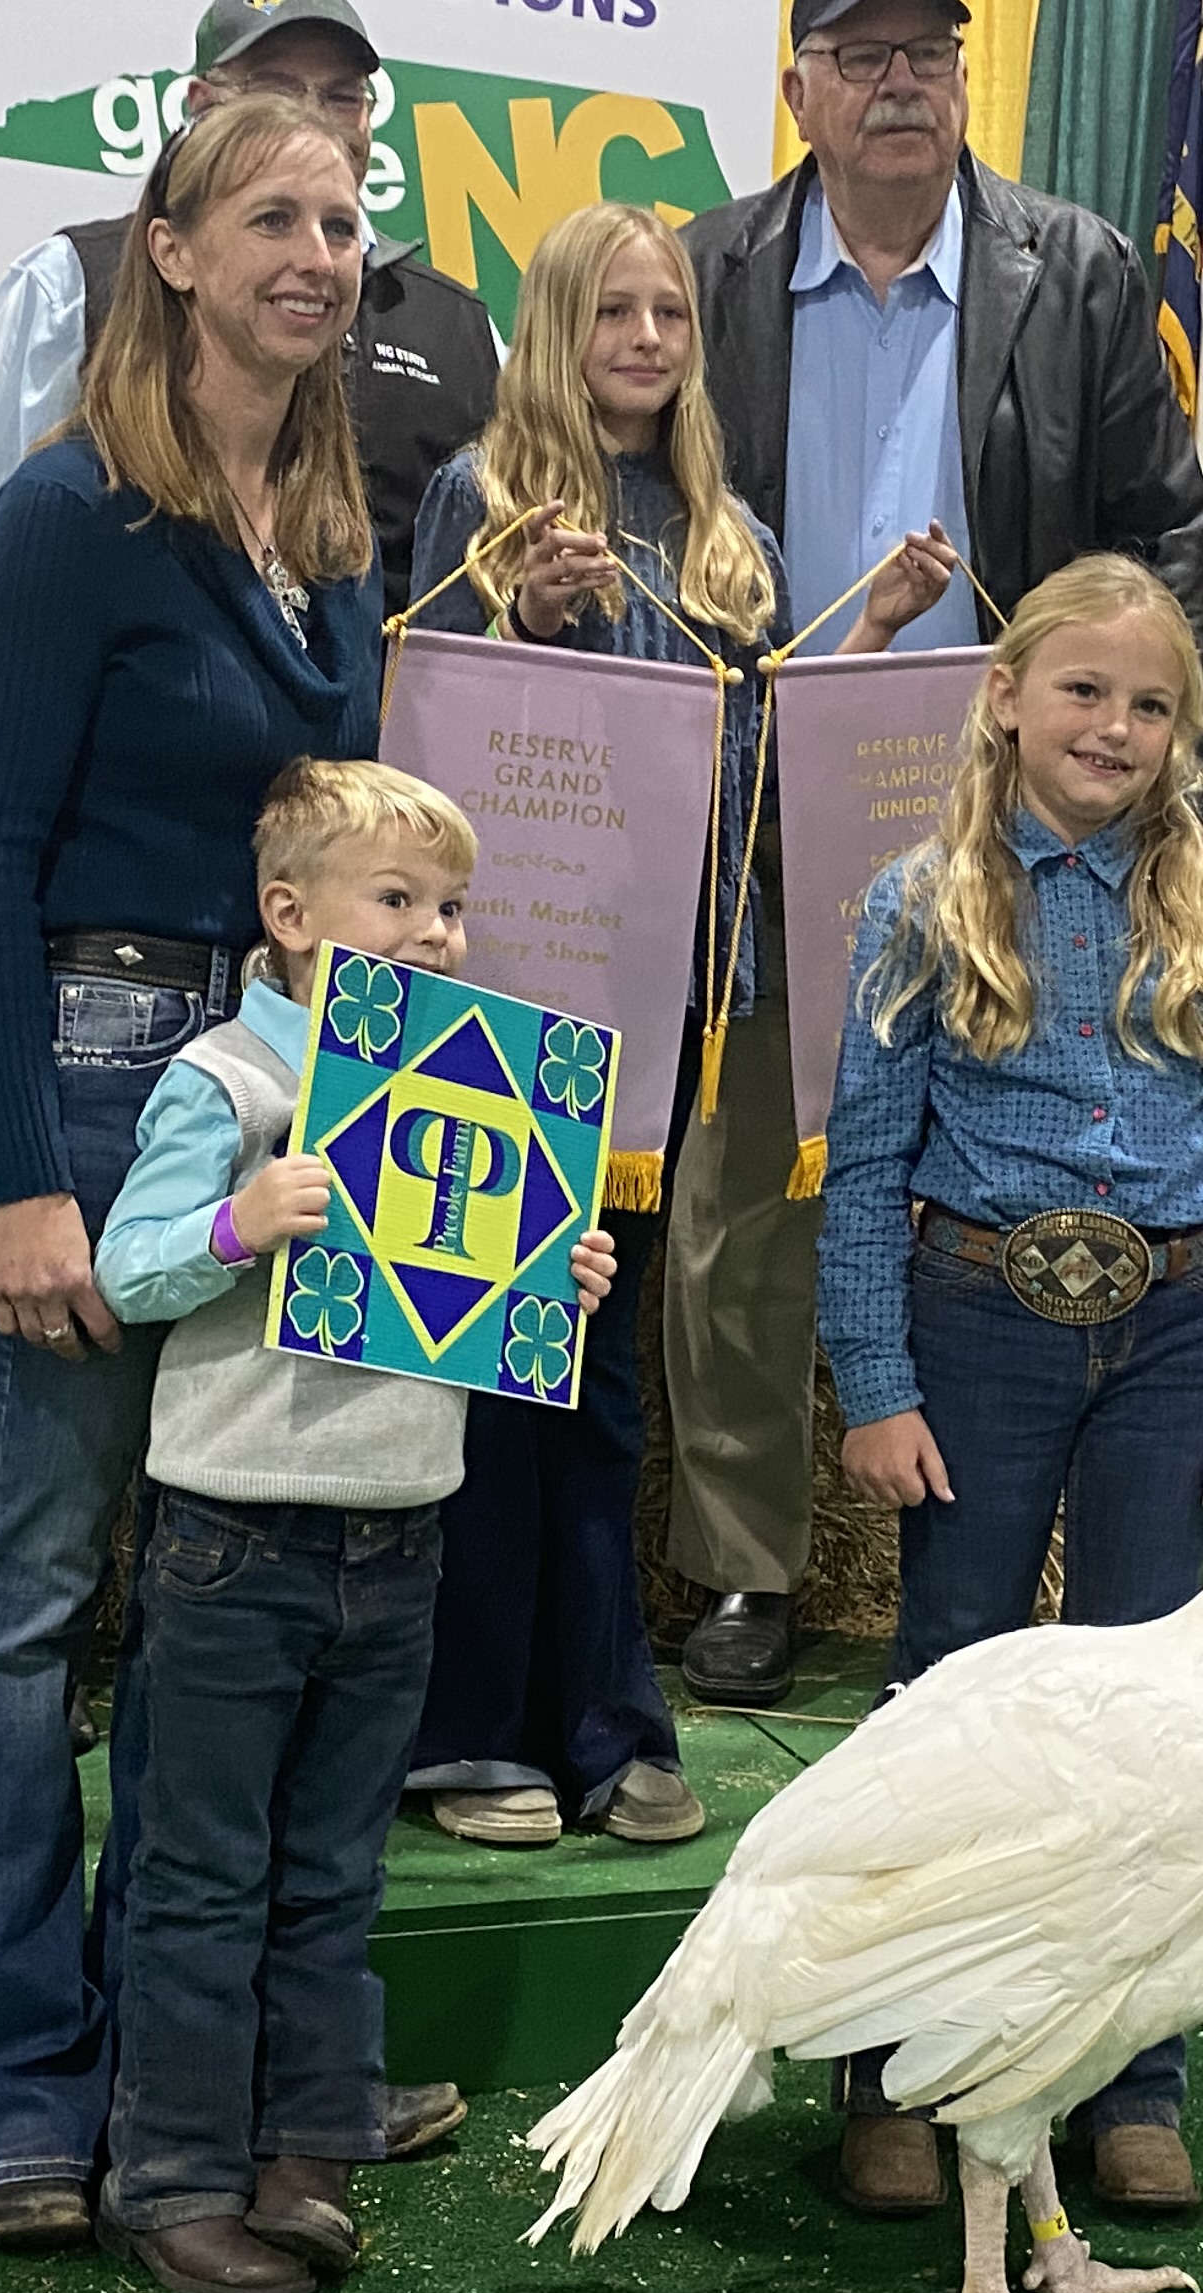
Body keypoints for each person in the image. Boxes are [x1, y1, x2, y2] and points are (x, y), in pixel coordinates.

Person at [0, 90, 417, 2256]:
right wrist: (22, 1168)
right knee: (31, 1578)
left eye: (341, 217)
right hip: (113, 1066)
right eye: (269, 217)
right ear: (172, 253)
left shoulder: (345, 537)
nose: (315, 249)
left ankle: (224, 2072)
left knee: (243, 1591)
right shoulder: (69, 515)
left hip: (305, 1075)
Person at [664, 0, 1203, 1710]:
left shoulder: (1079, 268)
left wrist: (1117, 754)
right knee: (748, 1194)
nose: (900, 79)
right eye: (860, 49)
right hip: (761, 802)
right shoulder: (708, 271)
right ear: (799, 87)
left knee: (998, 1186)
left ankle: (990, 1563)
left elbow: (1169, 535)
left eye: (928, 49)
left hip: (1013, 828)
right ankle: (743, 1560)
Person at [406, 203, 953, 1848]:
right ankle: (468, 1727)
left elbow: (772, 743)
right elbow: (431, 732)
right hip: (515, 993)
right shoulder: (482, 501)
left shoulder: (730, 532)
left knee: (610, 1378)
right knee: (505, 1358)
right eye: (611, 312)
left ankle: (607, 1715)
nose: (645, 339)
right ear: (557, 326)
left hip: (683, 995)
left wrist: (869, 632)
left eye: (667, 314)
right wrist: (538, 625)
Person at [814, 552, 1203, 2226]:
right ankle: (893, 2072)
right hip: (975, 1320)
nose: (1113, 724)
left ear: (1187, 728)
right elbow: (866, 1161)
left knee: (1155, 1719)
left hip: (1173, 1337)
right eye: (1084, 689)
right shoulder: (917, 899)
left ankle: (1135, 2084)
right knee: (945, 1691)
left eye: (1151, 700)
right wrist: (875, 1377)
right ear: (1005, 696)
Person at [88, 758, 622, 2293]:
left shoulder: (483, 1093)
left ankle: (309, 2138)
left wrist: (552, 1275)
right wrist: (237, 1226)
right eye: (398, 901)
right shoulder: (231, 1085)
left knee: (332, 1866)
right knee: (200, 1870)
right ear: (289, 913)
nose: (435, 933)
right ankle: (173, 2172)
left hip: (400, 1531)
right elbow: (128, 1276)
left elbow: (474, 1299)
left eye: (450, 908)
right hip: (234, 1535)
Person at [0, 0, 497, 744]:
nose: (308, 117)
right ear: (198, 110)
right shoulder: (71, 284)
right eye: (271, 88)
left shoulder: (455, 325)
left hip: (372, 810)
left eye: (340, 95)